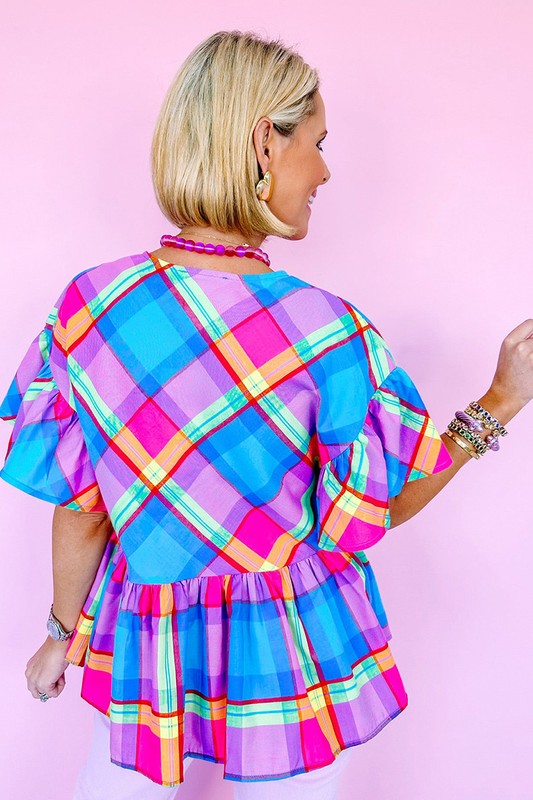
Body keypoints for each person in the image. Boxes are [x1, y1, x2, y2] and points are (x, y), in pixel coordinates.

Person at [0, 28, 532, 800]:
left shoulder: (91, 307)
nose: (324, 170)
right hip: (293, 643)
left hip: (150, 638)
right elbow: (379, 508)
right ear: (263, 144)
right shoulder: (329, 330)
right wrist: (498, 402)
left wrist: (60, 634)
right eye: (316, 142)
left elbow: (83, 511)